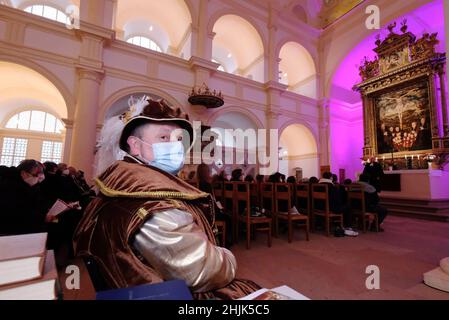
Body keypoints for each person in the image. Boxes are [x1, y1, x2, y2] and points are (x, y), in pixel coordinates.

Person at [73, 97, 259, 299]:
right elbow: (207, 270)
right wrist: (227, 255)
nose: (175, 146)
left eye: (179, 139)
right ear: (135, 145)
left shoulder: (121, 186)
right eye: (163, 137)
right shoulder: (155, 205)